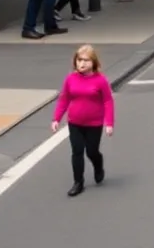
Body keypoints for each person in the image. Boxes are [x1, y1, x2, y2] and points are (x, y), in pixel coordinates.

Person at [51, 44, 114, 198]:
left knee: (91, 152)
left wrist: (109, 123)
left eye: (86, 60)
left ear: (93, 62)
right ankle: (78, 182)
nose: (82, 63)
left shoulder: (100, 80)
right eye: (79, 60)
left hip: (94, 124)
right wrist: (56, 118)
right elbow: (64, 99)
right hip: (75, 123)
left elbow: (108, 101)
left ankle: (98, 165)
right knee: (77, 151)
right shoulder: (70, 79)